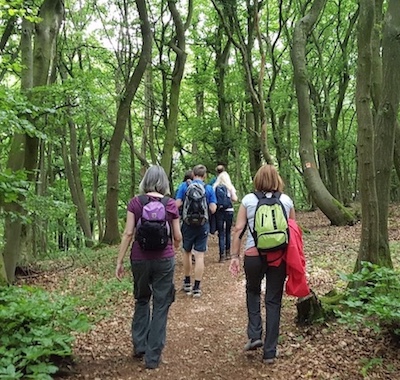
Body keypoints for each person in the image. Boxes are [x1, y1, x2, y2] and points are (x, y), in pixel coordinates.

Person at [115, 165, 182, 370]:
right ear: (164, 182)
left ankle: (139, 345)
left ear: (145, 181)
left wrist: (119, 261)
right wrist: (174, 248)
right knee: (161, 304)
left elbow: (128, 233)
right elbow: (178, 236)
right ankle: (153, 357)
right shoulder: (170, 204)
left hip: (139, 259)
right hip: (164, 260)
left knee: (142, 299)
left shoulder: (135, 202)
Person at [229, 164, 295, 364]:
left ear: (257, 180)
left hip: (253, 255)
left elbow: (238, 229)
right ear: (277, 180)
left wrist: (234, 256)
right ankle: (270, 352)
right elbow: (294, 231)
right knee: (273, 301)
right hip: (278, 257)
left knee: (253, 291)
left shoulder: (248, 200)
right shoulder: (286, 200)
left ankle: (255, 334)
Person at [175, 164, 217, 297]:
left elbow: (177, 204)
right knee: (199, 255)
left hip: (187, 224)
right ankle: (197, 288)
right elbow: (213, 208)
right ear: (204, 176)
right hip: (202, 225)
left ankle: (187, 283)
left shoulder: (184, 186)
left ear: (193, 174)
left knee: (186, 252)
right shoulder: (208, 188)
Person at [213, 171, 238, 262]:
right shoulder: (230, 187)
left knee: (221, 233)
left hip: (219, 212)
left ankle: (221, 256)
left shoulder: (215, 187)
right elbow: (235, 199)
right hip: (229, 211)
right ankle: (228, 253)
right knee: (228, 231)